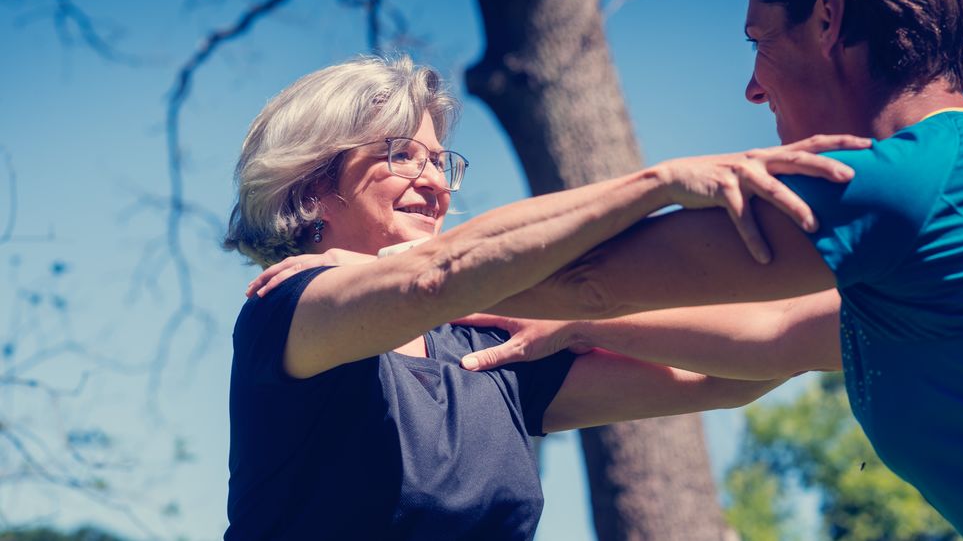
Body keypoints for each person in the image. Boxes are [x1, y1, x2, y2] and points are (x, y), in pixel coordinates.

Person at [437, 0, 963, 540]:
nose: (753, 88)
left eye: (760, 39)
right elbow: (779, 331)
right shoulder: (958, 185)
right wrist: (581, 325)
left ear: (828, 19)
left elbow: (589, 276)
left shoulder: (900, 186)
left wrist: (385, 273)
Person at [222, 55, 865, 539]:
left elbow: (729, 374)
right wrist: (658, 184)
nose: (435, 183)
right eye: (401, 155)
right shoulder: (286, 308)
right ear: (311, 186)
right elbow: (432, 279)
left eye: (440, 162)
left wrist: (585, 325)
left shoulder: (483, 351)